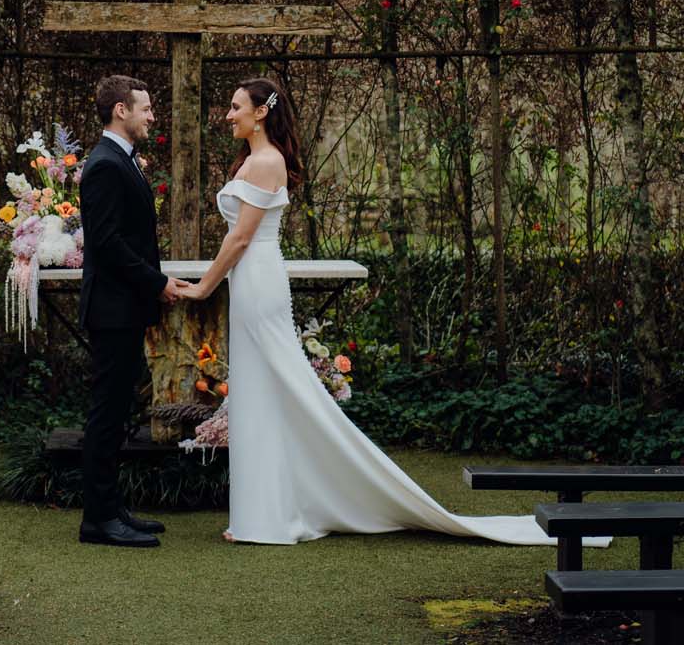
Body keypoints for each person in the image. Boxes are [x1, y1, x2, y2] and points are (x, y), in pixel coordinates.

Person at [177, 76, 608, 549]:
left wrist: (202, 289)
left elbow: (239, 238)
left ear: (261, 112)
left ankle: (272, 518)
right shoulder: (254, 160)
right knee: (261, 394)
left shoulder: (265, 161)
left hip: (257, 281)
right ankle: (261, 515)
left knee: (276, 391)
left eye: (236, 106)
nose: (228, 114)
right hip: (252, 281)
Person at [78, 74, 190, 548]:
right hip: (111, 311)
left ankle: (112, 507)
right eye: (145, 108)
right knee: (107, 414)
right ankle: (98, 520)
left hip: (125, 307)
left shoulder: (123, 160)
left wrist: (152, 285)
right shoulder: (105, 164)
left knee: (119, 410)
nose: (151, 117)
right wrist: (157, 282)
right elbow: (106, 244)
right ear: (121, 110)